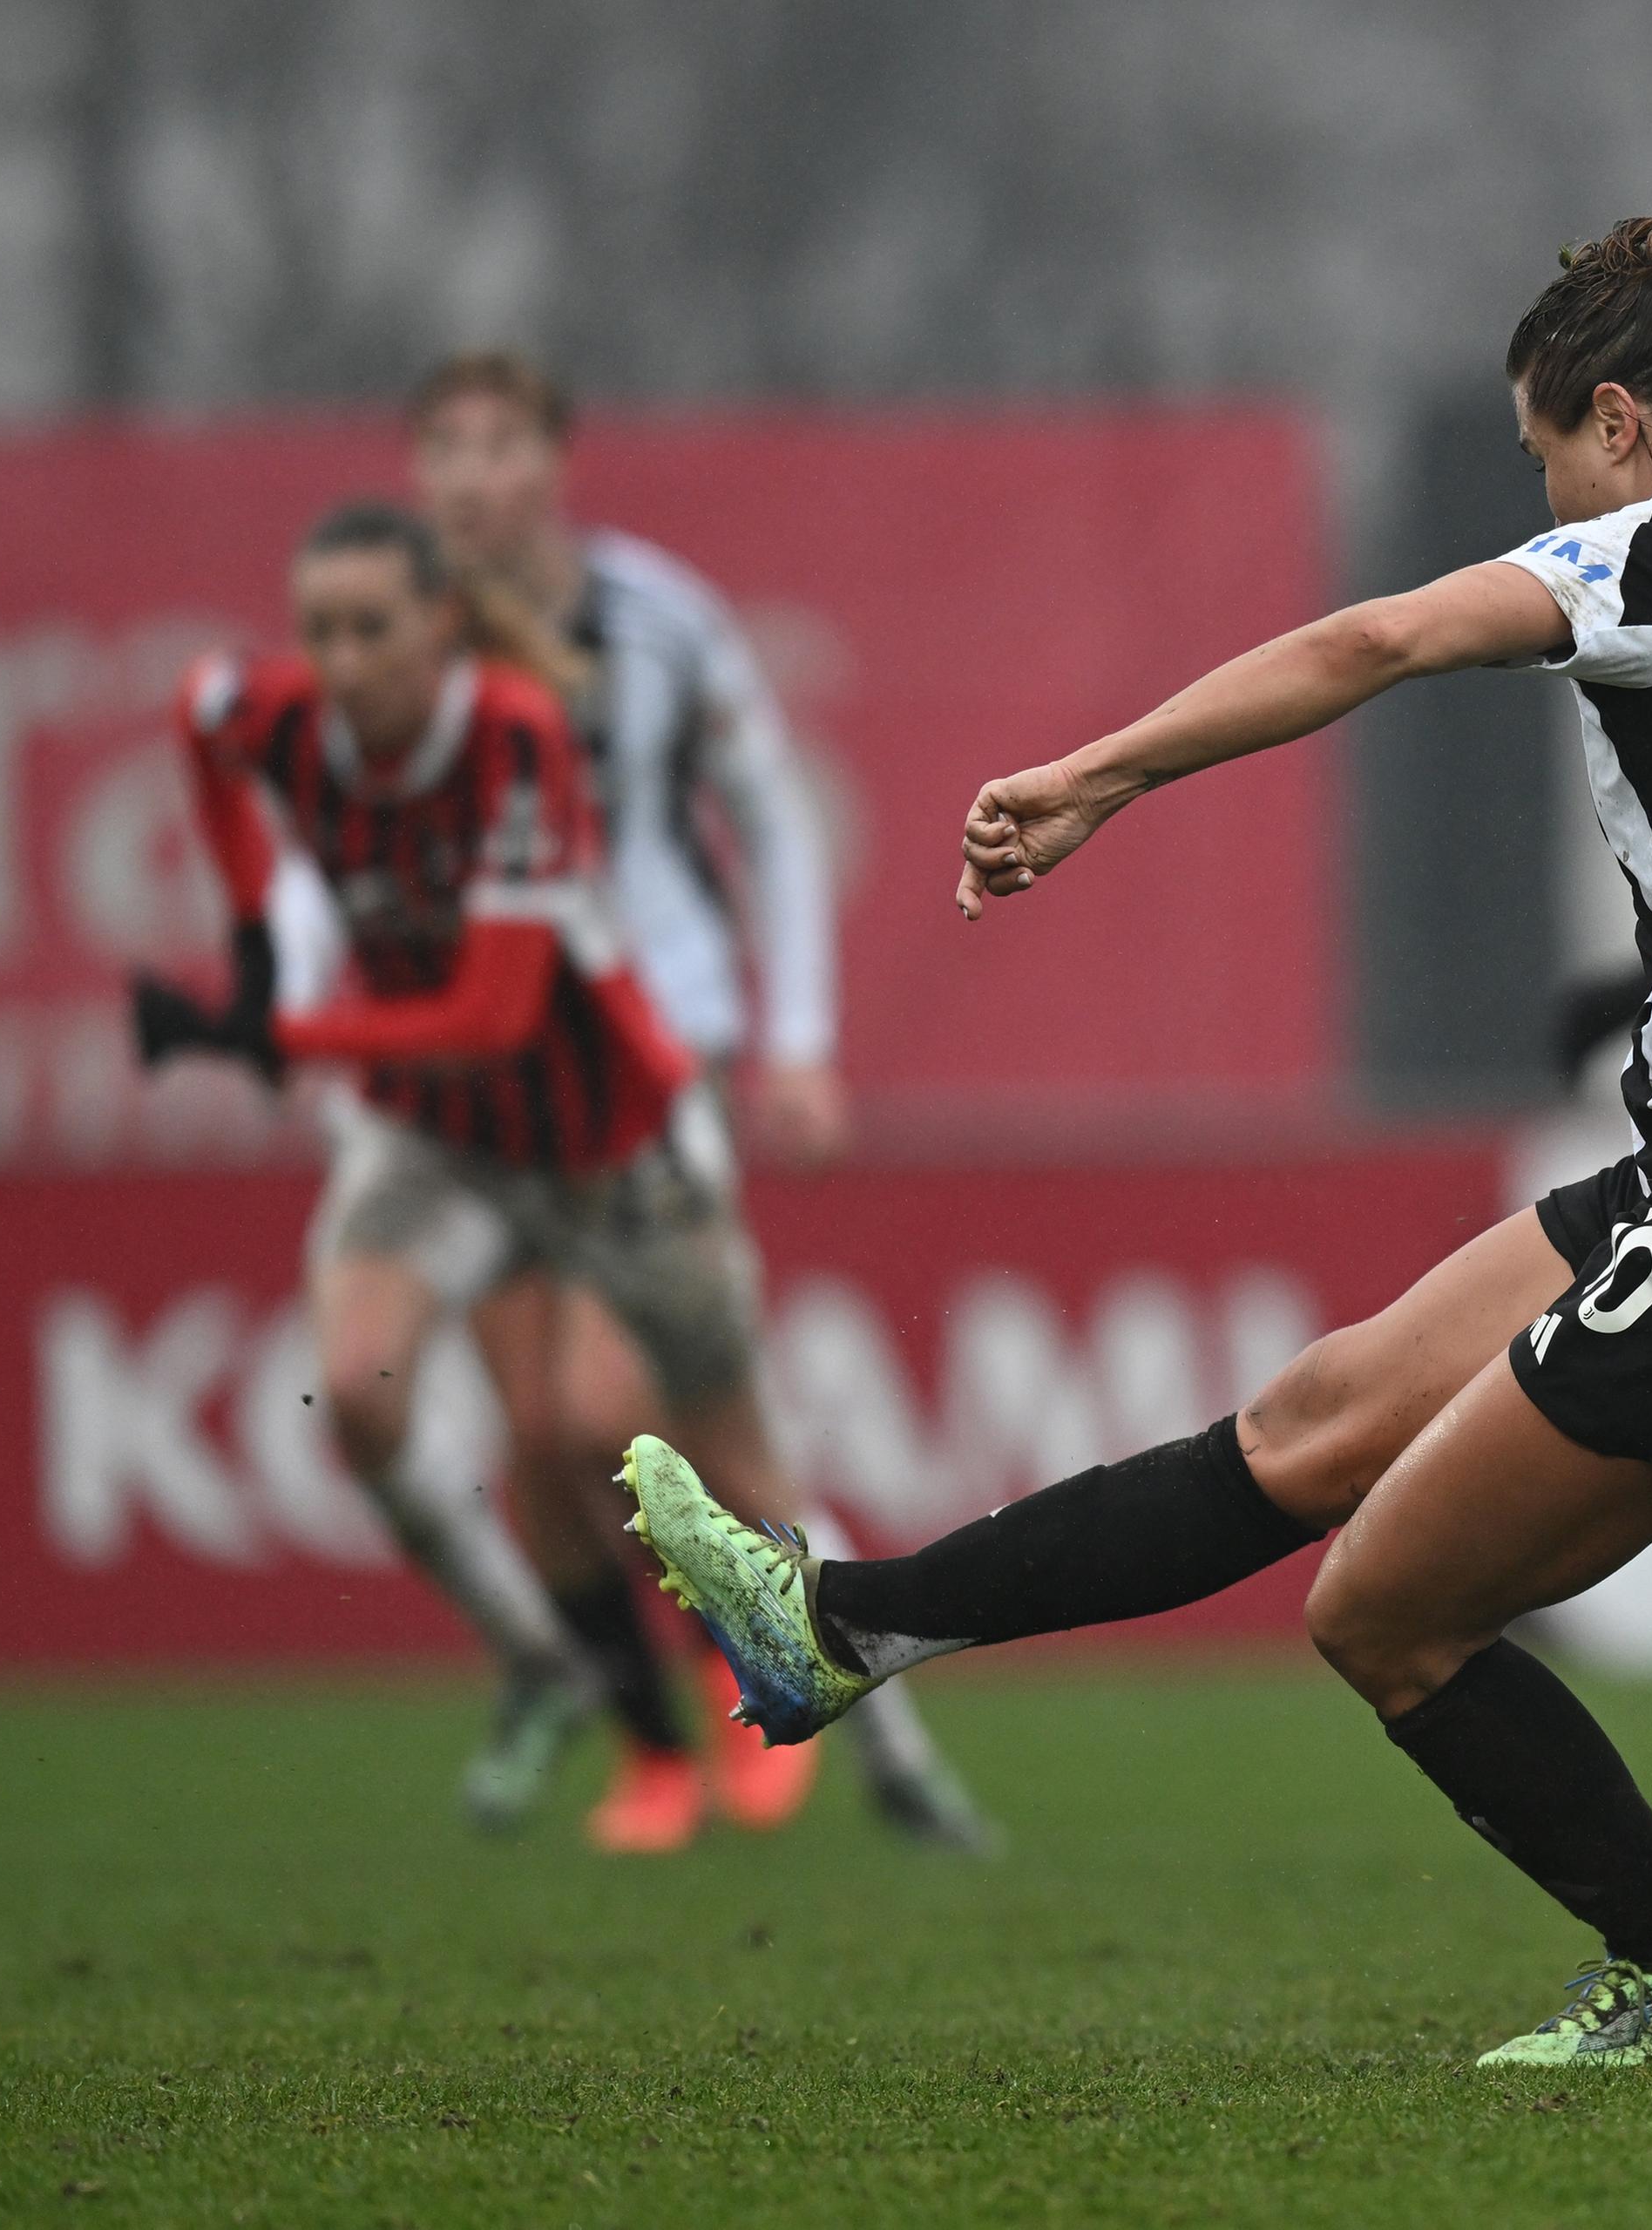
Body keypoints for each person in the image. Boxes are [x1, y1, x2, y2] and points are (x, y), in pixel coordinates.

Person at [621, 213, 1652, 2064]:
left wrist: (1097, 772)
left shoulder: (1650, 552)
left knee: (1385, 1611)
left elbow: (1382, 635)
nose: (1535, 494)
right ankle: (840, 1630)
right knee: (1318, 1419)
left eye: (1540, 452)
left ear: (1618, 421)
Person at [126, 502, 823, 1838]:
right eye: (319, 629)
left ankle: (772, 1674)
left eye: (370, 627)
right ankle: (592, 1703)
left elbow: (495, 1013)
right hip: (448, 1138)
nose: (339, 658)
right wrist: (255, 928)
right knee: (402, 1407)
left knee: (606, 1431)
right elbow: (202, 710)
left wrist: (271, 1025)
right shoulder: (272, 713)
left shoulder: (514, 738)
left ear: (441, 623)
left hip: (609, 1121)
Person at [404, 351, 991, 1855]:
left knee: (632, 1415)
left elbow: (772, 818)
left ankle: (830, 1707)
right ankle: (654, 1751)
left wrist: (794, 1038)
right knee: (533, 1438)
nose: (470, 477)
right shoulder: (394, 635)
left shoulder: (655, 616)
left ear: (553, 460)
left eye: (498, 445)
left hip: (646, 1061)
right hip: (472, 1079)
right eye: (444, 448)